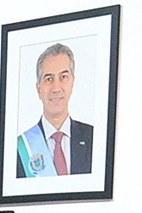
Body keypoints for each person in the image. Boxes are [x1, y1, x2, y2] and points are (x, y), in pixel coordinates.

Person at [16, 43, 94, 178]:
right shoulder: (19, 149)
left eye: (63, 77)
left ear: (72, 82)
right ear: (38, 89)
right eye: (49, 79)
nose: (56, 88)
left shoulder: (94, 138)